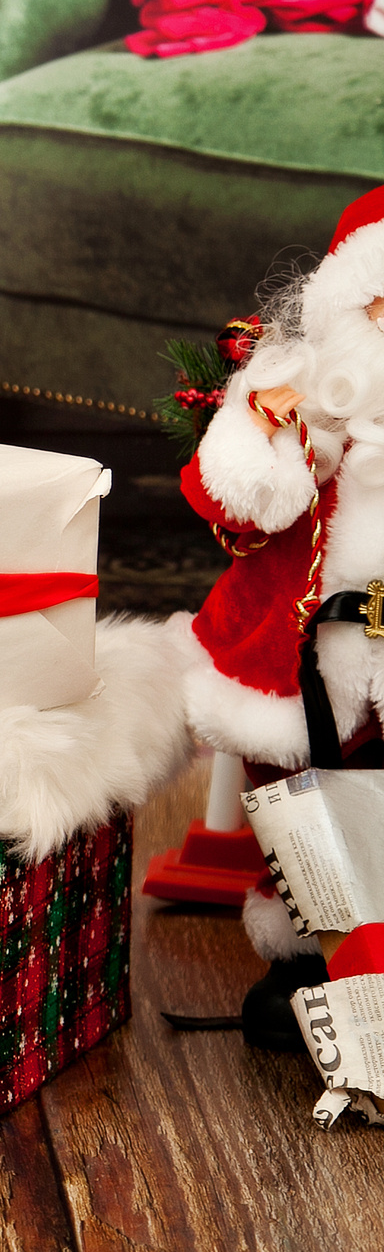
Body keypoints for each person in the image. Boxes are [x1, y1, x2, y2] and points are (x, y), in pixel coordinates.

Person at [182, 184, 384, 1042]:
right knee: (301, 802)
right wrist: (262, 432)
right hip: (306, 667)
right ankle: (308, 954)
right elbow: (233, 499)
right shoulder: (314, 420)